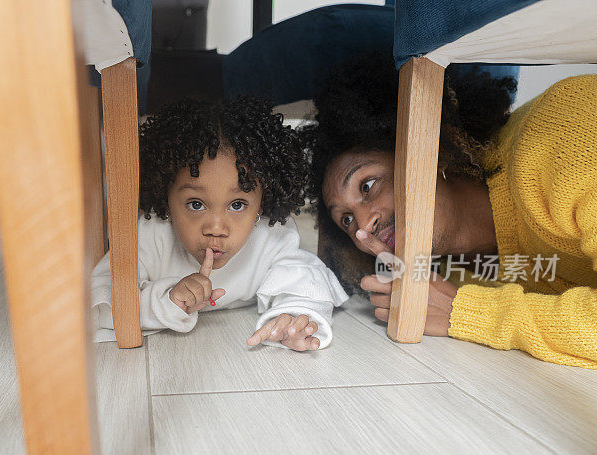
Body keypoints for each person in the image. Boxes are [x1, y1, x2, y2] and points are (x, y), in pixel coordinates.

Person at [305, 53, 597, 367]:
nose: (363, 228)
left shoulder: (562, 137)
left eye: (368, 185)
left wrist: (463, 309)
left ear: (433, 147)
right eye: (345, 219)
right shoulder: (456, 272)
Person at [92, 97, 349, 351]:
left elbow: (304, 277)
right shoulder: (150, 235)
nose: (216, 227)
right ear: (165, 198)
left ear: (261, 205)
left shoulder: (270, 235)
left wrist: (293, 317)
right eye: (196, 204)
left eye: (237, 204)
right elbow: (101, 297)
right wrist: (167, 301)